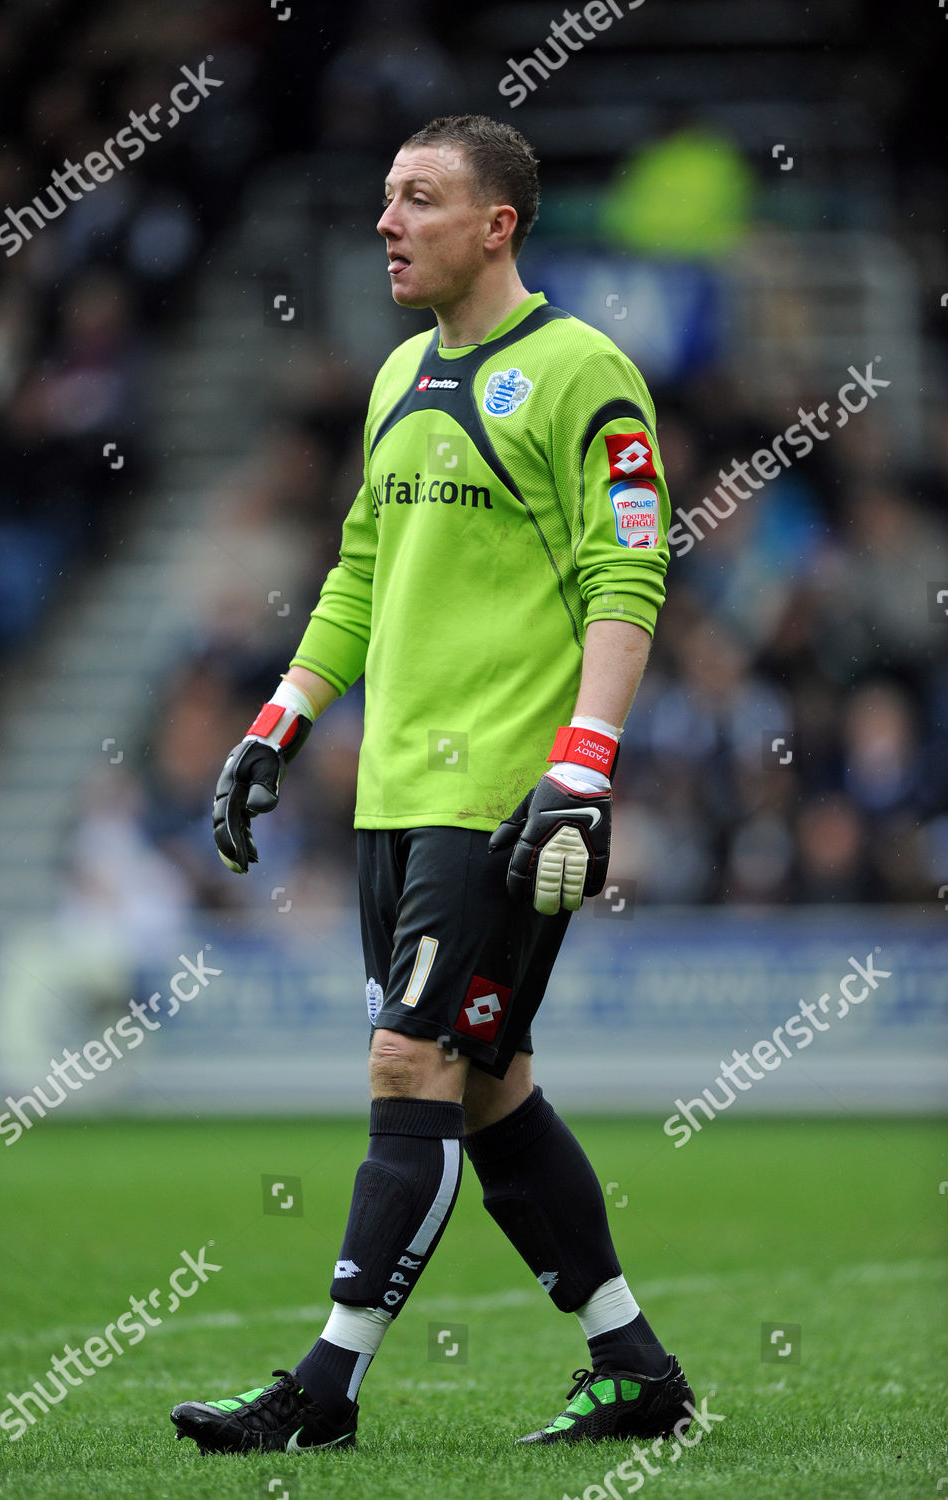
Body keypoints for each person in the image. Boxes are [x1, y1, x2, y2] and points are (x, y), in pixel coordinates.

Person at [170, 113, 693, 1456]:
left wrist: (580, 769)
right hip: (394, 800)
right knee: (483, 1080)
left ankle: (322, 1391)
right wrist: (278, 723)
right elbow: (357, 572)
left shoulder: (585, 374)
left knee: (409, 1061)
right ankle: (630, 1368)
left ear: (495, 224)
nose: (388, 223)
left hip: (506, 803)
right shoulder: (395, 374)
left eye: (418, 200)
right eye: (385, 199)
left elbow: (625, 572)